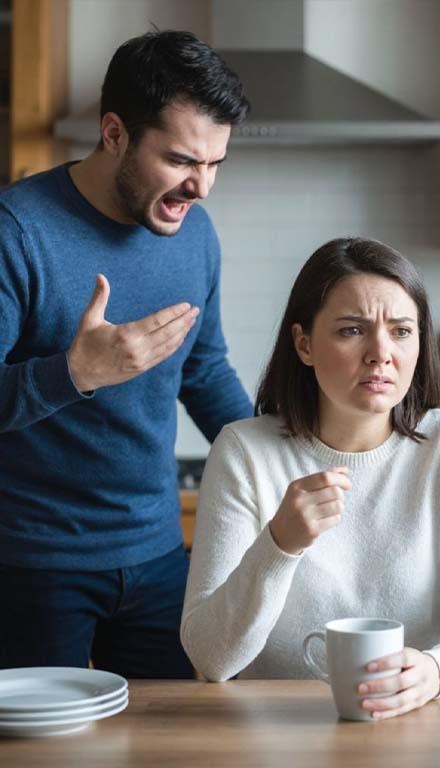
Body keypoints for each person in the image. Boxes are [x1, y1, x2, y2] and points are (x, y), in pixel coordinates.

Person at [181, 237, 440, 718]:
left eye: (402, 331)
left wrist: (436, 671)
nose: (380, 353)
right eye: (351, 330)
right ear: (303, 344)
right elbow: (211, 658)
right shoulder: (242, 452)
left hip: (418, 726)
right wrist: (279, 545)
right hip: (276, 736)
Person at [0, 31, 253, 678]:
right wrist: (74, 373)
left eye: (216, 164)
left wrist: (276, 452)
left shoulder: (194, 233)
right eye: (180, 160)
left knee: (171, 744)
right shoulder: (17, 232)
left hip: (160, 557)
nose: (201, 186)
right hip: (33, 567)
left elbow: (203, 369)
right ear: (114, 133)